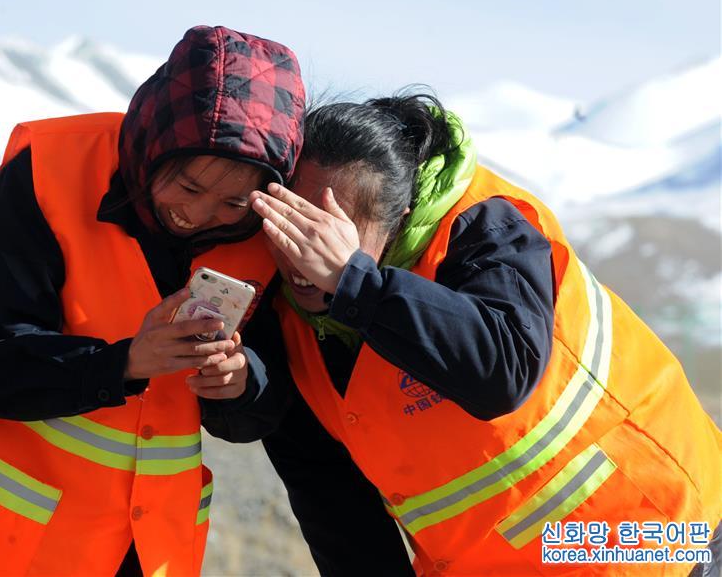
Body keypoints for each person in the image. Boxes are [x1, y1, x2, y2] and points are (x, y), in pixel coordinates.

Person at [208, 92, 722, 575]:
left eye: (327, 231)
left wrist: (352, 279)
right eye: (289, 227)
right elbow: (329, 494)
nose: (304, 256)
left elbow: (502, 370)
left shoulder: (484, 228)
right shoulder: (294, 319)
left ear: (397, 222)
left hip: (662, 531)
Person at [0, 25, 306, 577]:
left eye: (230, 202)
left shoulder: (258, 234)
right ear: (154, 147)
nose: (199, 217)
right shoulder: (48, 174)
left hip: (142, 552)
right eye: (189, 188)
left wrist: (241, 381)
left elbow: (253, 416)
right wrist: (124, 363)